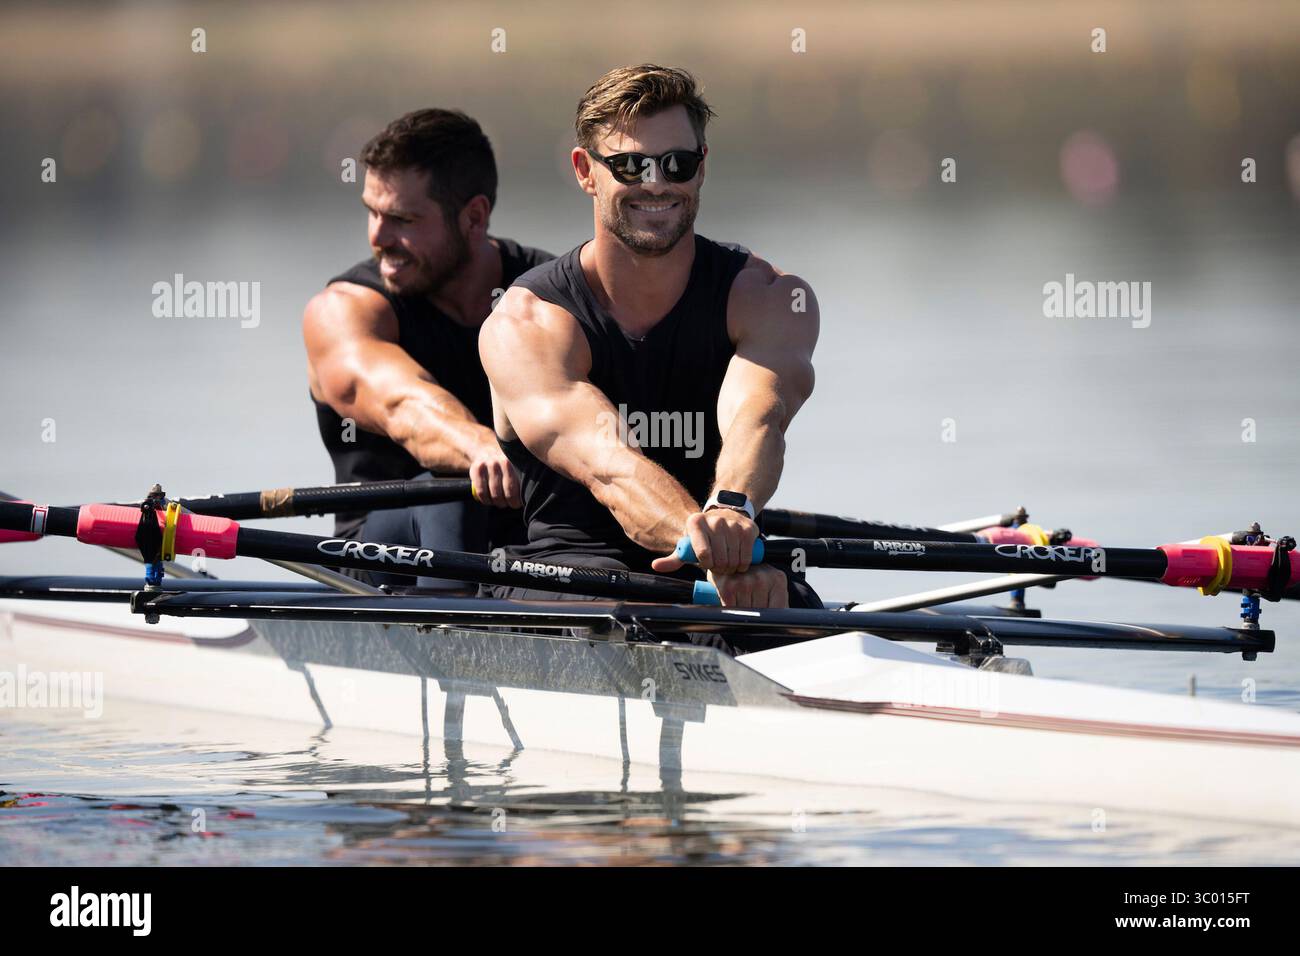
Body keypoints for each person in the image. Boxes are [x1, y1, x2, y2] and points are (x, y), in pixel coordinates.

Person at [480, 65, 819, 615]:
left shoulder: (768, 297)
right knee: (658, 611)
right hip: (570, 574)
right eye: (630, 166)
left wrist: (732, 509)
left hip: (730, 562)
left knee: (790, 605)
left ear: (701, 168)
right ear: (585, 171)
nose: (656, 183)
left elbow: (758, 417)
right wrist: (709, 549)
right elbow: (608, 465)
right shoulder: (528, 322)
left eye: (676, 164)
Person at [303, 108, 552, 587]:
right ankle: (459, 646)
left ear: (474, 217)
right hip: (378, 557)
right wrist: (483, 447)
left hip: (525, 546)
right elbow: (404, 407)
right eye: (371, 212)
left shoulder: (548, 297)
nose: (378, 236)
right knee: (449, 494)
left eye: (401, 219)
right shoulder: (343, 312)